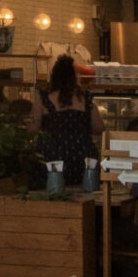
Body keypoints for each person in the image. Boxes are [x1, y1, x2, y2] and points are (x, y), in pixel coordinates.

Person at [36, 54, 99, 185]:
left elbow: (32, 128)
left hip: (52, 158)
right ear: (74, 77)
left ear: (54, 76)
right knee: (85, 190)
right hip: (82, 156)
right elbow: (99, 127)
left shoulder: (44, 99)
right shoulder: (85, 99)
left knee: (54, 190)